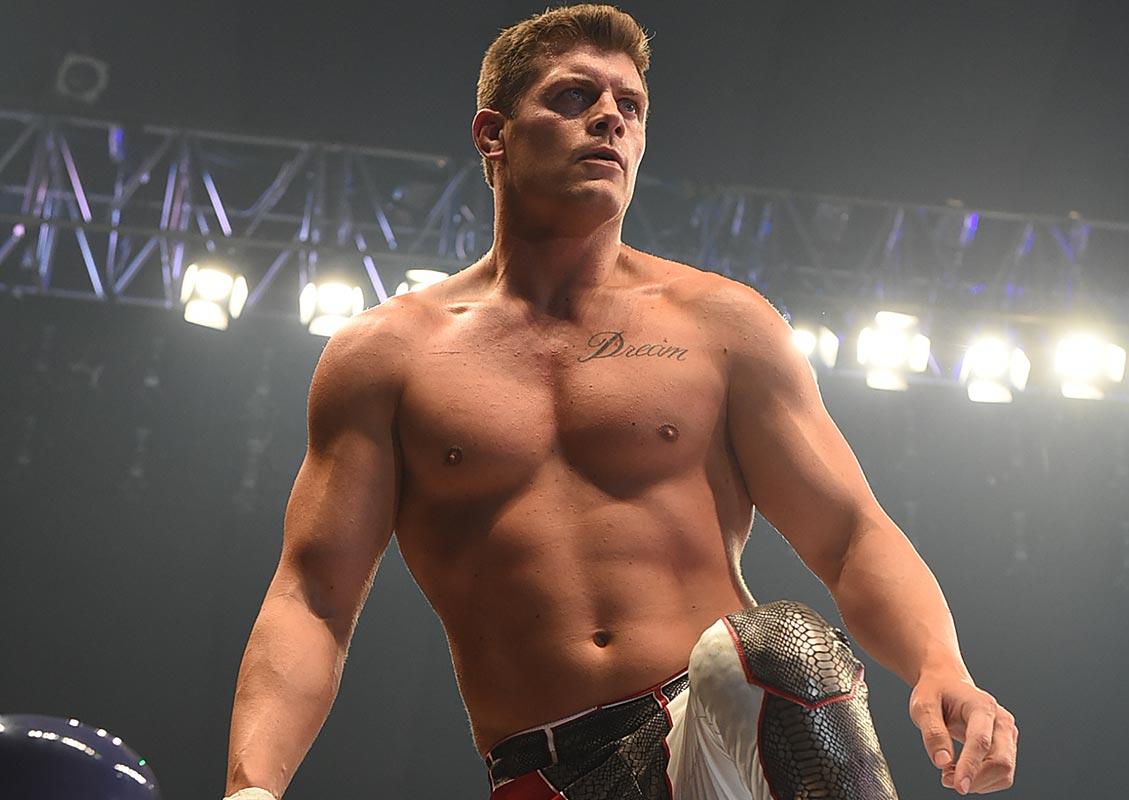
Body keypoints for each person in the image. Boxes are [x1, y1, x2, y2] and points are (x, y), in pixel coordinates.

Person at [223, 5, 1018, 799]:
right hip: (545, 774)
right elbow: (314, 597)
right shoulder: (387, 355)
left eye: (630, 106)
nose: (610, 117)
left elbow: (847, 535)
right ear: (493, 135)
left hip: (704, 738)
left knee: (782, 646)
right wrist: (250, 789)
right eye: (574, 96)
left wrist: (941, 665)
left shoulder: (721, 325)